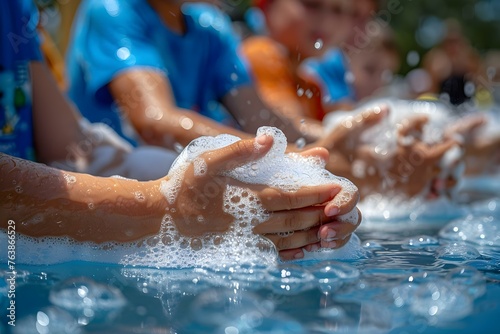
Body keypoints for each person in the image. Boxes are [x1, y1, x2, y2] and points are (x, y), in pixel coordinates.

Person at [0, 0, 361, 261]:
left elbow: (266, 122)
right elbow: (155, 121)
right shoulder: (112, 9)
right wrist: (168, 208)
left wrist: (320, 164)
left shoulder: (210, 28)